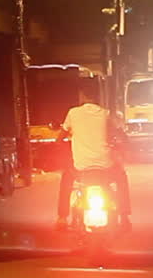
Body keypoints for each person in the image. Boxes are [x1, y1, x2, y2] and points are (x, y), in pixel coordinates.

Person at [56, 85, 131, 231]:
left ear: (82, 96)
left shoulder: (73, 113)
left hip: (81, 167)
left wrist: (62, 145)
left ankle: (62, 218)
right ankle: (125, 217)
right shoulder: (106, 114)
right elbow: (120, 134)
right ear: (98, 98)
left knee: (66, 178)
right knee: (121, 176)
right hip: (105, 166)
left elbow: (60, 137)